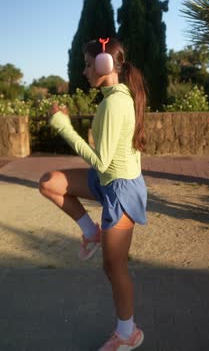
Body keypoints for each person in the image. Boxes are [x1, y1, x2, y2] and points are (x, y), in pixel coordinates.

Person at [39, 37, 147, 351]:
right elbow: (103, 166)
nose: (84, 71)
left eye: (88, 64)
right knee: (50, 182)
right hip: (106, 180)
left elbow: (101, 160)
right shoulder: (113, 95)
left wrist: (63, 126)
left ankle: (128, 333)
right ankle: (91, 232)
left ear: (104, 66)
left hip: (121, 190)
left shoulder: (115, 102)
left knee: (114, 267)